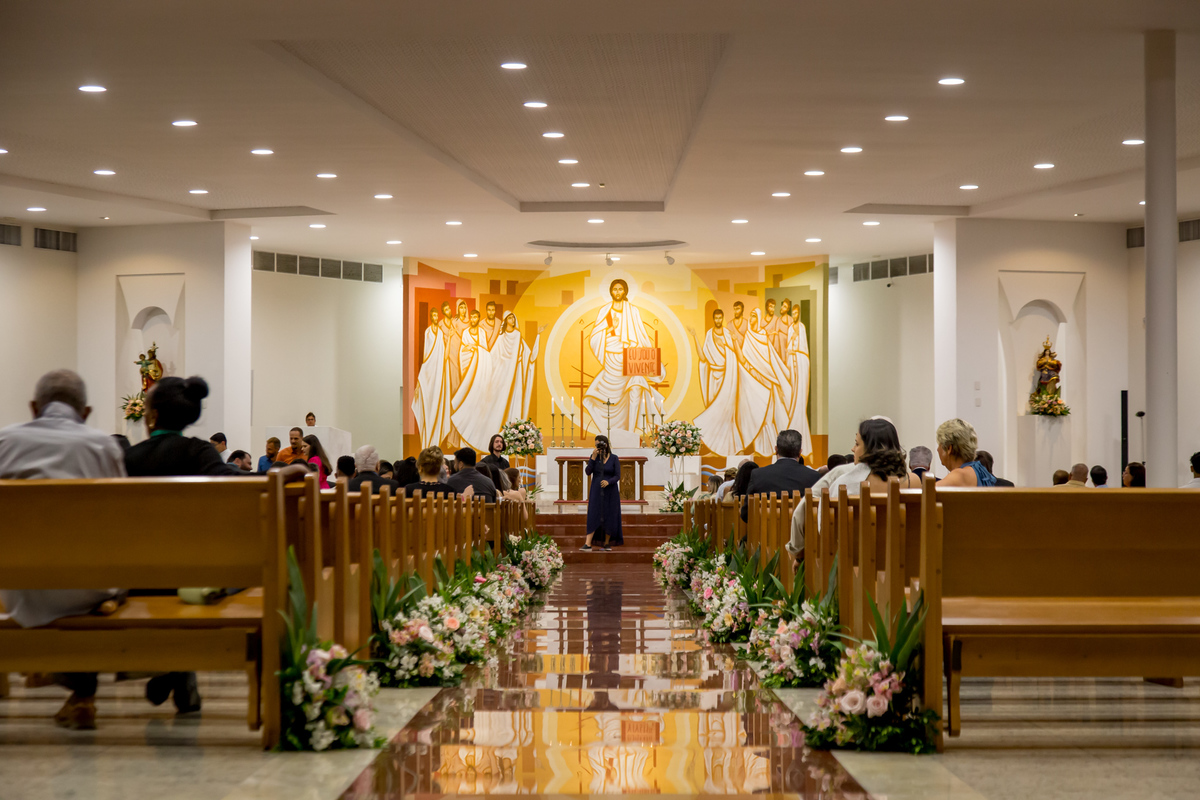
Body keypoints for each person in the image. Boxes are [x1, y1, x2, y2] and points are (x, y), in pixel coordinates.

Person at [125, 377, 306, 718]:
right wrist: (280, 475)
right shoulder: (198, 452)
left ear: (152, 415)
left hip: (141, 574)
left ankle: (174, 670)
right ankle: (177, 670)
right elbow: (237, 482)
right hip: (197, 573)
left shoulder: (130, 458)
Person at [0, 370, 126, 730]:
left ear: (33, 407)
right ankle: (81, 691)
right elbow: (123, 522)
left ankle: (51, 671)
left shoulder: (5, 440)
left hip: (17, 587)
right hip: (89, 588)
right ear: (85, 412)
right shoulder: (103, 445)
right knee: (100, 581)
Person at [789, 417, 919, 559]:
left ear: (870, 450)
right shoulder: (914, 482)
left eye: (857, 444)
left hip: (854, 566)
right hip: (903, 563)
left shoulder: (844, 484)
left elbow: (826, 529)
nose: (853, 449)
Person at [582, 279, 665, 439]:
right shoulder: (605, 311)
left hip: (630, 359)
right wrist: (608, 334)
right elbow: (595, 336)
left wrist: (652, 360)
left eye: (621, 289)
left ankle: (630, 435)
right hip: (611, 360)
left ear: (625, 291)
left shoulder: (632, 311)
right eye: (615, 289)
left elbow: (641, 335)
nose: (618, 292)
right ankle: (610, 435)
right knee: (595, 398)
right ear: (610, 291)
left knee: (635, 390)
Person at [740, 429, 819, 521]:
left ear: (776, 450)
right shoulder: (814, 477)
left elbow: (745, 514)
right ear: (800, 453)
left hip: (766, 533)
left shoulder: (758, 475)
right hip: (801, 534)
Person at [581, 435, 622, 551]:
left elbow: (617, 475)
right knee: (594, 513)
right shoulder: (594, 457)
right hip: (596, 490)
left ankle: (607, 543)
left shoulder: (614, 458)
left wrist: (609, 482)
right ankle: (587, 543)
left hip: (610, 491)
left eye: (600, 444)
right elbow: (588, 472)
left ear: (606, 444)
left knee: (609, 514)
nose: (598, 447)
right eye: (596, 445)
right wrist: (593, 458)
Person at [934, 418, 996, 487]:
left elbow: (928, 493)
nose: (937, 449)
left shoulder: (959, 476)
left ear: (949, 448)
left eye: (939, 444)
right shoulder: (981, 471)